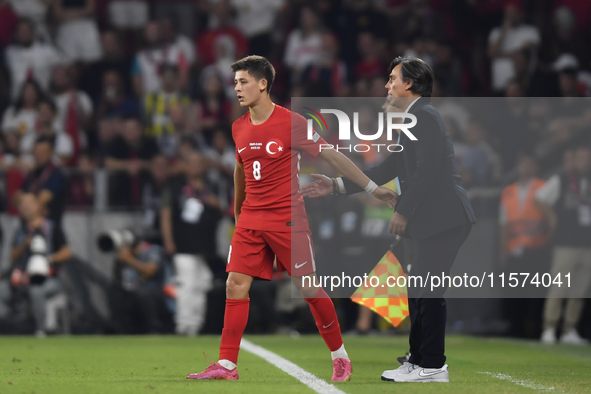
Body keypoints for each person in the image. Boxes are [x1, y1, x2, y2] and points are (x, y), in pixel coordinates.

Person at [187, 55, 397, 381]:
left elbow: (331, 155)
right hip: (250, 219)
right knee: (235, 284)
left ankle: (340, 356)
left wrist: (372, 187)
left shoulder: (291, 123)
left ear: (262, 84)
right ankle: (227, 364)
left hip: (287, 218)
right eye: (235, 83)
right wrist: (238, 208)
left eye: (243, 82)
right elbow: (241, 169)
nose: (237, 89)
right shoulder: (238, 127)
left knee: (309, 288)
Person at [302, 56, 476, 383]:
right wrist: (336, 185)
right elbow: (385, 171)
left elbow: (426, 172)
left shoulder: (424, 115)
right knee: (418, 289)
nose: (386, 85)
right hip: (434, 218)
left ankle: (432, 365)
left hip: (444, 217)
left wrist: (403, 211)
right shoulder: (415, 119)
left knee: (428, 290)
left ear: (409, 84)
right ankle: (418, 359)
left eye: (392, 78)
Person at [160, 152, 222, 336]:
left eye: (199, 162)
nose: (196, 166)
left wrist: (216, 204)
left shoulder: (211, 186)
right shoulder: (175, 186)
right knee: (187, 284)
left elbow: (223, 213)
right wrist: (169, 240)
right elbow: (165, 214)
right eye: (192, 162)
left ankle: (196, 324)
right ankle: (184, 325)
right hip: (183, 244)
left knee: (202, 283)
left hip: (205, 246)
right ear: (185, 165)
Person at [535, 146, 591, 345]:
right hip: (565, 243)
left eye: (588, 158)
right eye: (582, 157)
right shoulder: (562, 178)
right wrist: (552, 217)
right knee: (559, 286)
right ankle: (549, 328)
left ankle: (569, 329)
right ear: (574, 160)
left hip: (587, 244)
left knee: (580, 289)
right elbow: (539, 198)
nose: (585, 161)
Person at [499, 154, 550, 338]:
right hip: (515, 248)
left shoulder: (543, 187)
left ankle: (534, 330)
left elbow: (551, 216)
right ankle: (515, 329)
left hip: (536, 247)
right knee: (514, 291)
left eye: (529, 164)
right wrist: (503, 252)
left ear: (535, 167)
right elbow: (504, 223)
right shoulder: (509, 191)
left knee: (535, 292)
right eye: (523, 164)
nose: (525, 168)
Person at [9, 193, 72, 336]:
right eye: (23, 205)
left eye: (29, 204)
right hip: (23, 277)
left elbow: (67, 253)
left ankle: (41, 330)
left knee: (36, 290)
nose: (26, 208)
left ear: (38, 206)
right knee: (3, 291)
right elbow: (13, 257)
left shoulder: (51, 227)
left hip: (50, 277)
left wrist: (47, 259)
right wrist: (25, 243)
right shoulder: (20, 231)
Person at [17, 135, 68, 226]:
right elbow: (16, 198)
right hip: (27, 226)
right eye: (37, 152)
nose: (39, 155)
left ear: (51, 153)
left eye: (43, 152)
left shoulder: (56, 174)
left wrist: (27, 204)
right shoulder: (32, 174)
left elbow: (40, 202)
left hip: (49, 228)